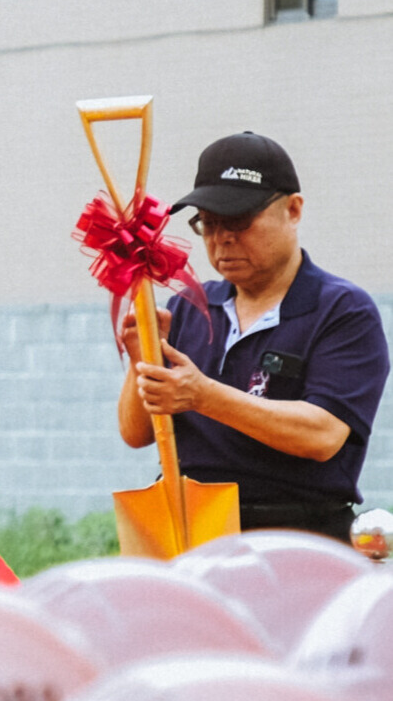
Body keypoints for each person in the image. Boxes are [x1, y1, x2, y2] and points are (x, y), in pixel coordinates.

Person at [117, 132, 390, 543]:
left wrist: (203, 396)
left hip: (295, 541)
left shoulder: (342, 309)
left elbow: (322, 435)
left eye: (239, 222)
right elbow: (135, 433)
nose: (221, 239)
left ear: (293, 210)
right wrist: (143, 359)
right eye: (207, 224)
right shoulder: (190, 306)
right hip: (187, 533)